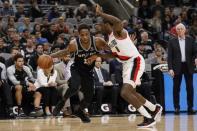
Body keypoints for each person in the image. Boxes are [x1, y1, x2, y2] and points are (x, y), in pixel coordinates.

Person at [94, 4, 163, 128]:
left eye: (100, 24)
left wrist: (101, 14)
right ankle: (154, 108)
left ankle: (148, 117)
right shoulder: (109, 40)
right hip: (127, 64)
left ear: (107, 25)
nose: (98, 27)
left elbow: (118, 21)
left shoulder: (118, 31)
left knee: (125, 92)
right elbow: (113, 55)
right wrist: (97, 55)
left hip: (134, 61)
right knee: (132, 93)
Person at [50, 24, 109, 123]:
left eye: (87, 34)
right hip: (76, 69)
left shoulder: (98, 41)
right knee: (74, 86)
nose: (85, 37)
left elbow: (111, 50)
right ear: (78, 35)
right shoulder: (74, 44)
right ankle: (62, 102)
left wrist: (97, 55)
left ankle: (79, 111)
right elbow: (65, 52)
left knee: (89, 96)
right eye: (82, 35)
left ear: (90, 33)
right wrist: (51, 55)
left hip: (88, 71)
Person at [168, 23, 197, 115]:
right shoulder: (172, 41)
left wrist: (196, 58)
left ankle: (190, 107)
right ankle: (176, 107)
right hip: (177, 67)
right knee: (176, 88)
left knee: (190, 88)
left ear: (185, 30)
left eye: (181, 29)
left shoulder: (191, 40)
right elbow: (170, 57)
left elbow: (195, 52)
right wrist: (170, 68)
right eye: (178, 29)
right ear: (176, 31)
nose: (180, 30)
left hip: (188, 66)